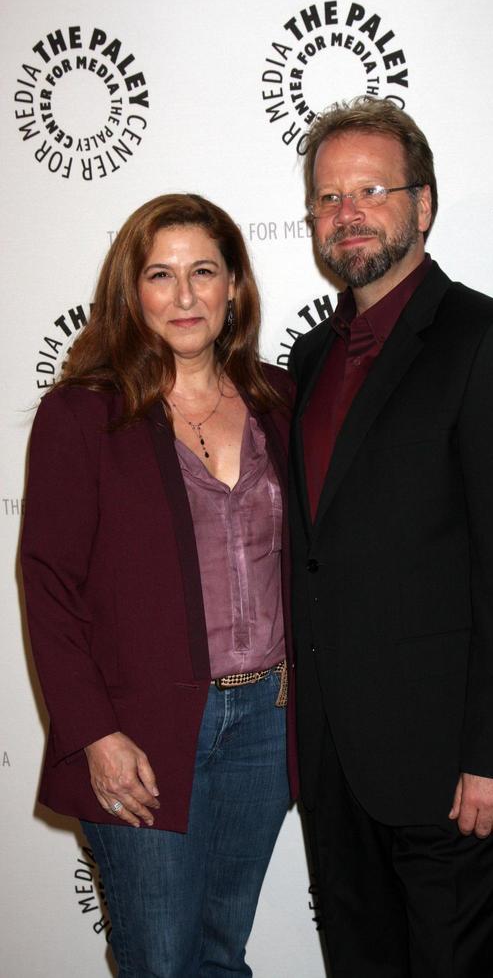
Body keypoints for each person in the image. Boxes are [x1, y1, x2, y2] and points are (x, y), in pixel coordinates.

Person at [288, 97, 493, 977]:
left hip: (454, 775)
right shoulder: (309, 360)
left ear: (425, 204)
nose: (349, 213)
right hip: (336, 766)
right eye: (329, 198)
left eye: (372, 189)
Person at [21, 193, 297, 978]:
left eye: (203, 272)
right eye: (160, 275)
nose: (184, 297)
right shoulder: (83, 415)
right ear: (131, 292)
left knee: (220, 953)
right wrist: (95, 736)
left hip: (267, 726)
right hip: (139, 733)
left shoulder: (282, 401)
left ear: (234, 286)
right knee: (161, 963)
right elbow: (47, 584)